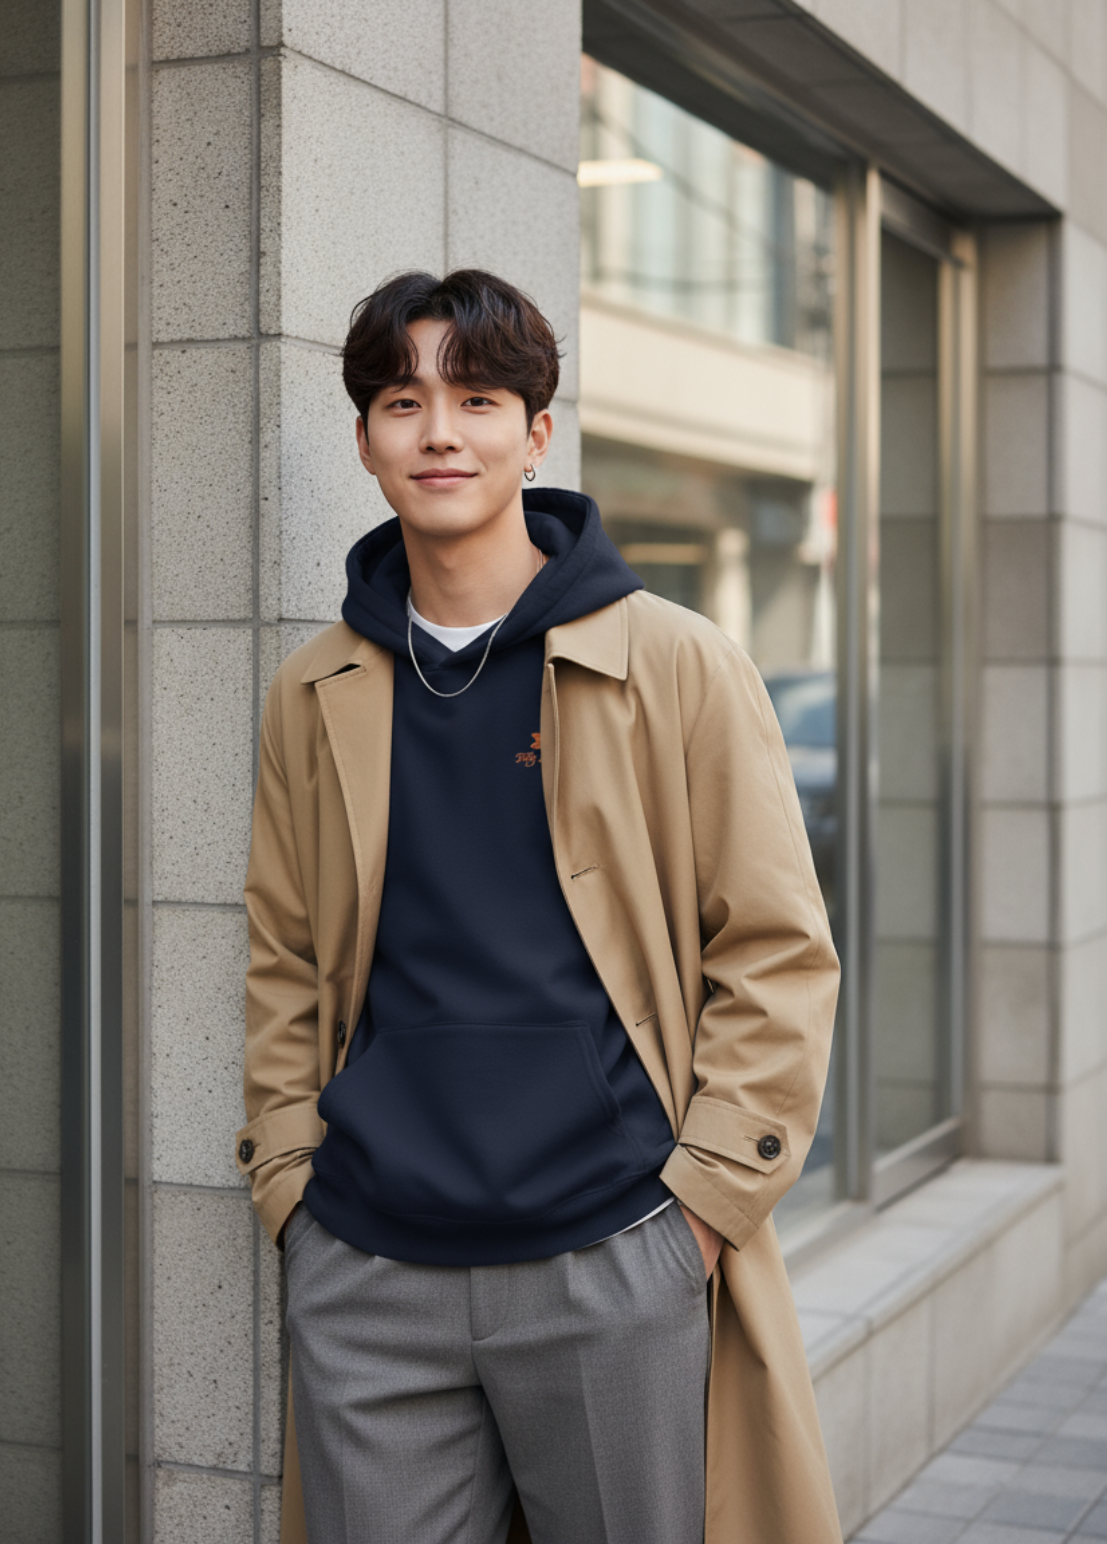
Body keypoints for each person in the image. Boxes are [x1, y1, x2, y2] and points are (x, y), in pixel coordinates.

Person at [237, 269, 843, 1544]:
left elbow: (779, 950)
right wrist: (291, 1180)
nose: (439, 431)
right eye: (403, 401)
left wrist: (702, 1211)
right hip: (368, 1261)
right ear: (365, 439)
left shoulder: (670, 659)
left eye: (476, 396)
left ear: (535, 433)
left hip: (612, 1248)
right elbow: (284, 959)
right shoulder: (317, 688)